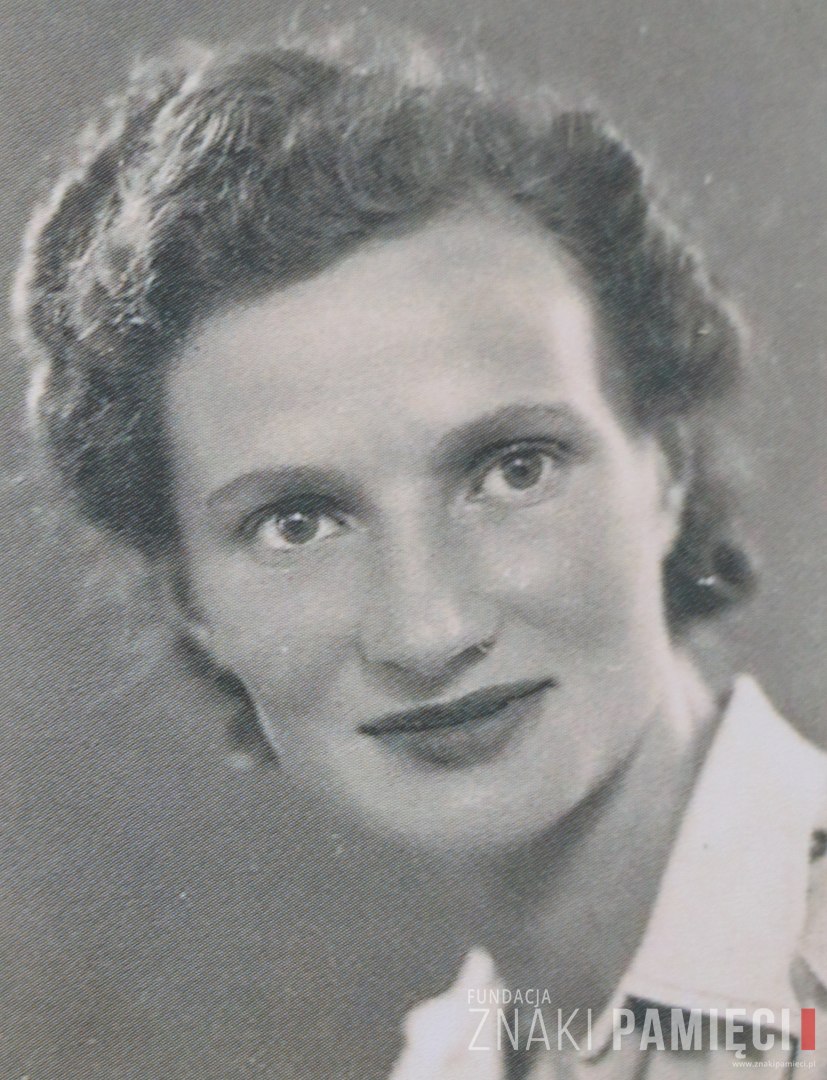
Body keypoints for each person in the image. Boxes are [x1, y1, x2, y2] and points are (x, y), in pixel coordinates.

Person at [13, 26, 827, 1079]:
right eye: (297, 522)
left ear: (663, 469)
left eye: (513, 469)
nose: (427, 628)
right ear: (192, 605)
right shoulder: (456, 1054)